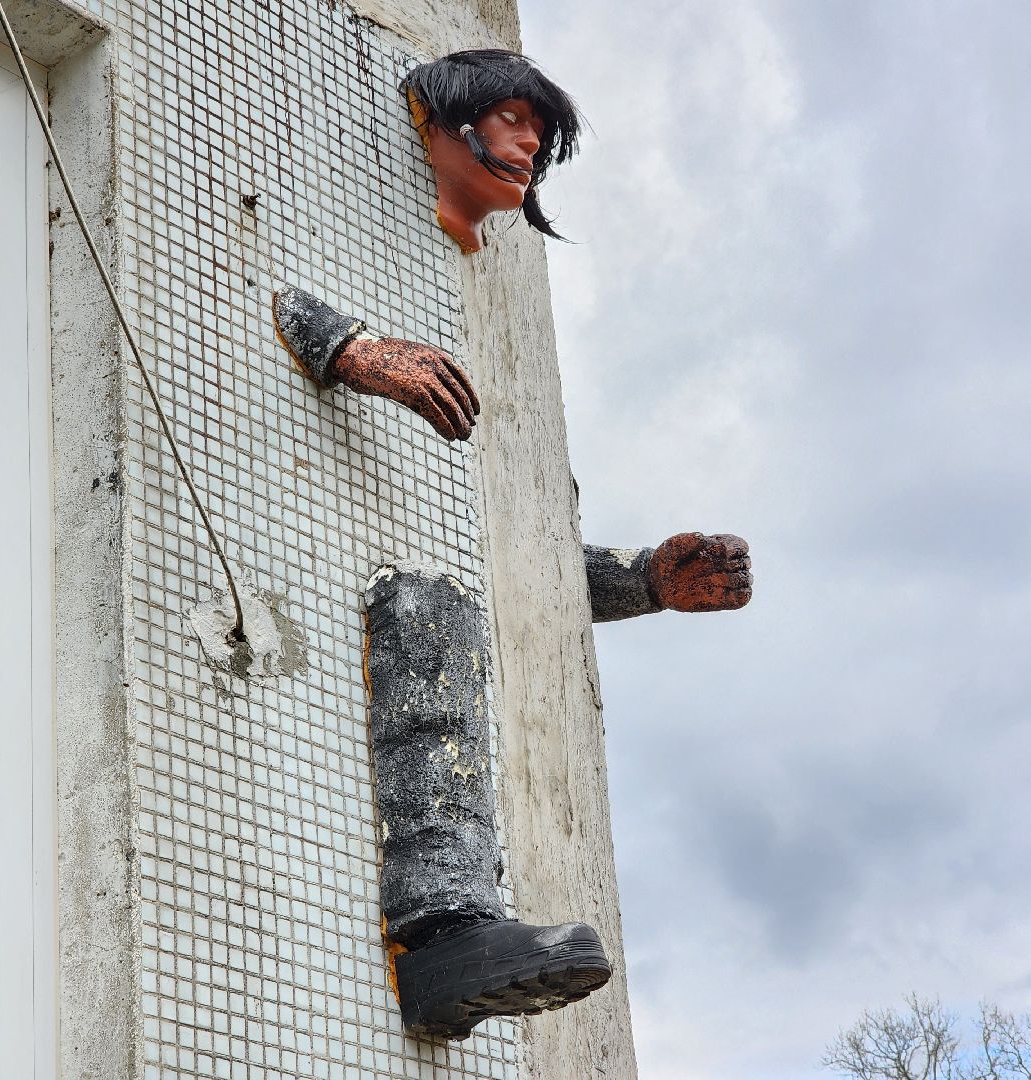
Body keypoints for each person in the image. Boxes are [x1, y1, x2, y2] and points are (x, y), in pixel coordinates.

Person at [273, 49, 750, 1039]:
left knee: (450, 611)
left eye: (541, 127)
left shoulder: (481, 298)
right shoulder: (329, 191)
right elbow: (228, 272)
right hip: (323, 578)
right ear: (440, 120)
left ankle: (463, 936)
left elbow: (523, 560)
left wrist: (646, 582)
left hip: (424, 573)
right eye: (510, 115)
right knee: (431, 618)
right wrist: (347, 347)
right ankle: (445, 928)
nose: (529, 140)